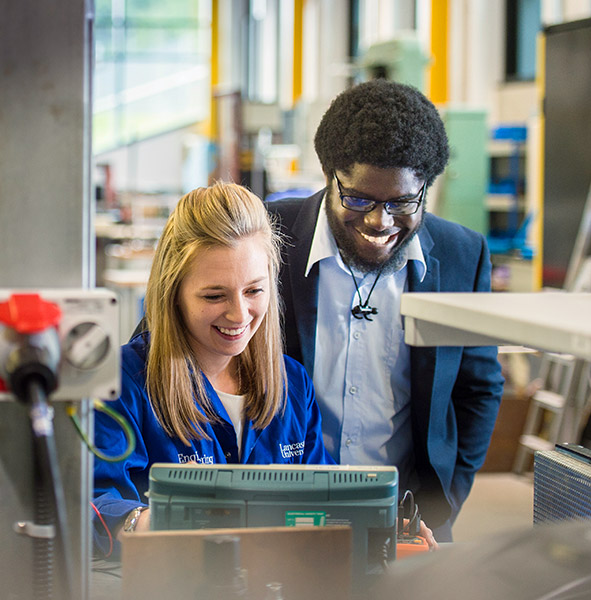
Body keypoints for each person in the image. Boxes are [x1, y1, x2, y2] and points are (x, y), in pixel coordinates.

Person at [267, 79, 505, 541]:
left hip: (405, 521)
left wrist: (442, 507)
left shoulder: (461, 256)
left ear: (426, 189)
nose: (380, 222)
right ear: (327, 173)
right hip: (278, 510)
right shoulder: (267, 236)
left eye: (401, 202)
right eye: (358, 199)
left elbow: (478, 388)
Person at [92, 181, 334, 556]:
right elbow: (91, 502)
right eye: (214, 295)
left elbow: (329, 495)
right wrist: (142, 522)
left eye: (254, 291)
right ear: (173, 292)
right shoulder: (122, 382)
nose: (239, 315)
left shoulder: (293, 383)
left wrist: (383, 522)